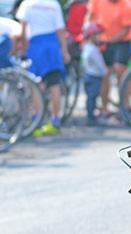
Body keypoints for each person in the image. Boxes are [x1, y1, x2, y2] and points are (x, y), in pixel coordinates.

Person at [16, 0, 71, 135]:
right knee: (54, 83)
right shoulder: (53, 4)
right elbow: (60, 30)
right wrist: (64, 51)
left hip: (36, 45)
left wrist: (23, 47)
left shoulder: (27, 4)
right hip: (52, 44)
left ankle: (37, 121)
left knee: (37, 84)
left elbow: (23, 29)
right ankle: (55, 121)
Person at [84, 0, 131, 122]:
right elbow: (90, 16)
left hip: (121, 41)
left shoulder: (127, 4)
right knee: (104, 74)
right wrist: (88, 31)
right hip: (103, 40)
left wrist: (110, 40)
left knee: (120, 70)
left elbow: (126, 30)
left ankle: (125, 107)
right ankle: (104, 109)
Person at [81, 22, 107, 126]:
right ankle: (91, 117)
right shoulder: (93, 50)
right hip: (94, 76)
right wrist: (104, 71)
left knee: (91, 97)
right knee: (92, 96)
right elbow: (100, 64)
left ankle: (91, 114)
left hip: (88, 74)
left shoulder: (86, 48)